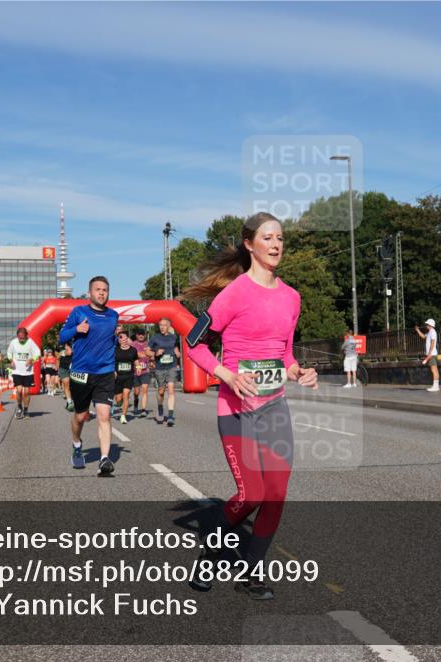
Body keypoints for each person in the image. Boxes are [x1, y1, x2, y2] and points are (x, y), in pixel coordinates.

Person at [183, 211, 318, 600]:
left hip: (274, 407)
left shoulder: (292, 297)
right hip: (237, 409)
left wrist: (297, 371)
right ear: (249, 244)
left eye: (280, 238)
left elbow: (284, 353)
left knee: (275, 494)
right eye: (268, 238)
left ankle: (252, 572)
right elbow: (193, 344)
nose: (276, 245)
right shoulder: (234, 294)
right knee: (251, 495)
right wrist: (226, 375)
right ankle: (211, 552)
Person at [58, 276, 119, 473]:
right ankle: (77, 444)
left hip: (105, 372)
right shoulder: (79, 312)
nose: (102, 293)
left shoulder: (113, 315)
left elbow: (110, 341)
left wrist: (116, 356)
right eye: (98, 289)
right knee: (81, 415)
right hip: (81, 372)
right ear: (90, 293)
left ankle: (104, 459)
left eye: (105, 290)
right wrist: (77, 329)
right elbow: (61, 337)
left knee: (104, 415)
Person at [149, 317, 180, 426]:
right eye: (160, 325)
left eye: (164, 325)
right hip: (160, 368)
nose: (162, 327)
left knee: (171, 389)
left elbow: (176, 348)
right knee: (161, 391)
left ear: (169, 326)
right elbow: (147, 351)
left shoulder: (174, 337)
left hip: (171, 366)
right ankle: (160, 407)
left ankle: (170, 416)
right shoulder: (155, 338)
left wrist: (177, 353)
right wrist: (155, 353)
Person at [7, 326, 41, 420]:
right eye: (19, 338)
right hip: (17, 370)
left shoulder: (30, 342)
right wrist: (11, 360)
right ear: (17, 336)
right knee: (19, 390)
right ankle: (19, 407)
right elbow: (9, 353)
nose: (21, 340)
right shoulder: (13, 342)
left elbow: (38, 353)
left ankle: (26, 410)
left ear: (26, 336)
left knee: (26, 392)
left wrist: (31, 359)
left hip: (28, 372)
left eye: (23, 338)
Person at [113, 331, 138, 424]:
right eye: (120, 338)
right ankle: (121, 403)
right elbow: (110, 362)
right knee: (118, 399)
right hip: (118, 377)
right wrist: (113, 371)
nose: (122, 340)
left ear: (127, 339)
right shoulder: (115, 350)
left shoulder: (133, 350)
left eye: (124, 337)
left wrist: (138, 367)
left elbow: (136, 360)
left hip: (129, 376)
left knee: (126, 394)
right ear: (118, 340)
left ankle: (123, 416)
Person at [131, 330, 152, 417]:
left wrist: (151, 361)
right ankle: (136, 403)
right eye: (139, 334)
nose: (141, 336)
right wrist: (144, 354)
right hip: (135, 372)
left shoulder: (148, 344)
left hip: (145, 371)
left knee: (144, 389)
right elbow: (134, 355)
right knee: (136, 391)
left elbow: (151, 355)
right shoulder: (133, 344)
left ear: (145, 335)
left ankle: (143, 410)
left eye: (142, 334)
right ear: (136, 335)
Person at [415, 318, 440, 392]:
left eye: (427, 324)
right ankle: (436, 386)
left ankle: (435, 387)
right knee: (435, 370)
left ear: (430, 325)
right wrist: (417, 330)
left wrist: (429, 353)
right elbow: (423, 336)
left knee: (434, 370)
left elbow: (432, 343)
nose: (426, 325)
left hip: (431, 354)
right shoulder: (430, 332)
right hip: (432, 354)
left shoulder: (432, 332)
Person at [59, 342, 74, 411]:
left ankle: (69, 401)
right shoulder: (60, 345)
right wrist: (62, 352)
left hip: (74, 368)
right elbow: (57, 355)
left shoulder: (75, 342)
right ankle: (69, 402)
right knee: (66, 384)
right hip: (63, 368)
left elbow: (70, 353)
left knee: (73, 386)